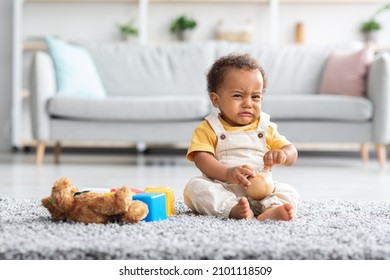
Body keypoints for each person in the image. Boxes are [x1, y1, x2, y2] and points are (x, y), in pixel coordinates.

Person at [183, 53, 301, 221]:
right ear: (216, 100)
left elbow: (292, 152)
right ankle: (232, 208)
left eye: (255, 97)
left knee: (289, 191)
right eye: (238, 95)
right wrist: (227, 173)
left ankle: (273, 208)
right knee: (194, 187)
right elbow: (202, 159)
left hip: (263, 191)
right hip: (222, 187)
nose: (248, 103)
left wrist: (283, 154)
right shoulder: (208, 128)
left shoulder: (265, 127)